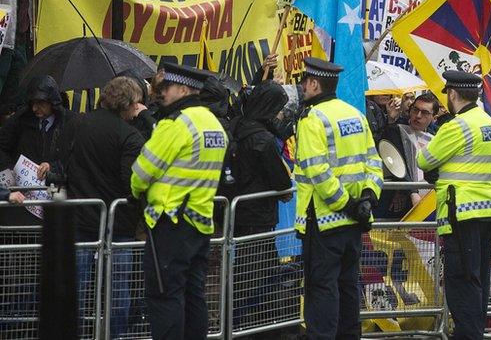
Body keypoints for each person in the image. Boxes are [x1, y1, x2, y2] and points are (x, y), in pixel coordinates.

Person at [130, 64, 228, 340]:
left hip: (169, 224)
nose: (162, 93)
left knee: (165, 297)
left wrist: (137, 191)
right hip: (199, 223)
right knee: (193, 295)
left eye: (167, 88)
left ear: (183, 89)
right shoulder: (213, 124)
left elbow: (141, 173)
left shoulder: (175, 124)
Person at [294, 57, 382, 340]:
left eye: (304, 82)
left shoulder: (312, 119)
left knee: (322, 291)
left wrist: (346, 204)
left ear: (315, 83)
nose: (302, 87)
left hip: (323, 222)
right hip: (354, 223)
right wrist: (366, 200)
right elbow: (373, 162)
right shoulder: (354, 114)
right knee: (347, 288)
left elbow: (318, 172)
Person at [418, 70, 491, 340]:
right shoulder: (489, 123)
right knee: (478, 279)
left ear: (453, 94)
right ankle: (474, 333)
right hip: (488, 212)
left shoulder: (457, 126)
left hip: (462, 214)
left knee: (461, 282)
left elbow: (425, 160)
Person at [63, 76, 146, 338]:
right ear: (128, 103)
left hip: (80, 216)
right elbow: (131, 182)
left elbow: (63, 165)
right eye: (136, 105)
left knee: (76, 286)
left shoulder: (77, 125)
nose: (137, 110)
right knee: (117, 289)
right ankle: (115, 335)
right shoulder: (130, 135)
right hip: (117, 221)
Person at [227, 80, 292, 335]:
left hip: (239, 212)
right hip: (259, 215)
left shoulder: (238, 127)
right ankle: (250, 325)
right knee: (256, 275)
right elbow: (281, 180)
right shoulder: (262, 140)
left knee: (243, 272)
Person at [0, 75, 76, 225]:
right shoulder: (21, 120)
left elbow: (74, 158)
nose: (35, 108)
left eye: (40, 103)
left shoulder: (69, 123)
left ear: (52, 102)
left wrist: (52, 167)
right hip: (22, 200)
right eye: (33, 103)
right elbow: (2, 146)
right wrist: (10, 169)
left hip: (54, 195)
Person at [376, 91, 439, 220]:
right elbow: (395, 161)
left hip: (428, 198)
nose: (418, 116)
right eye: (415, 110)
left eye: (425, 113)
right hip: (396, 199)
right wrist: (412, 192)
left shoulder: (436, 137)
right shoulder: (397, 130)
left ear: (434, 116)